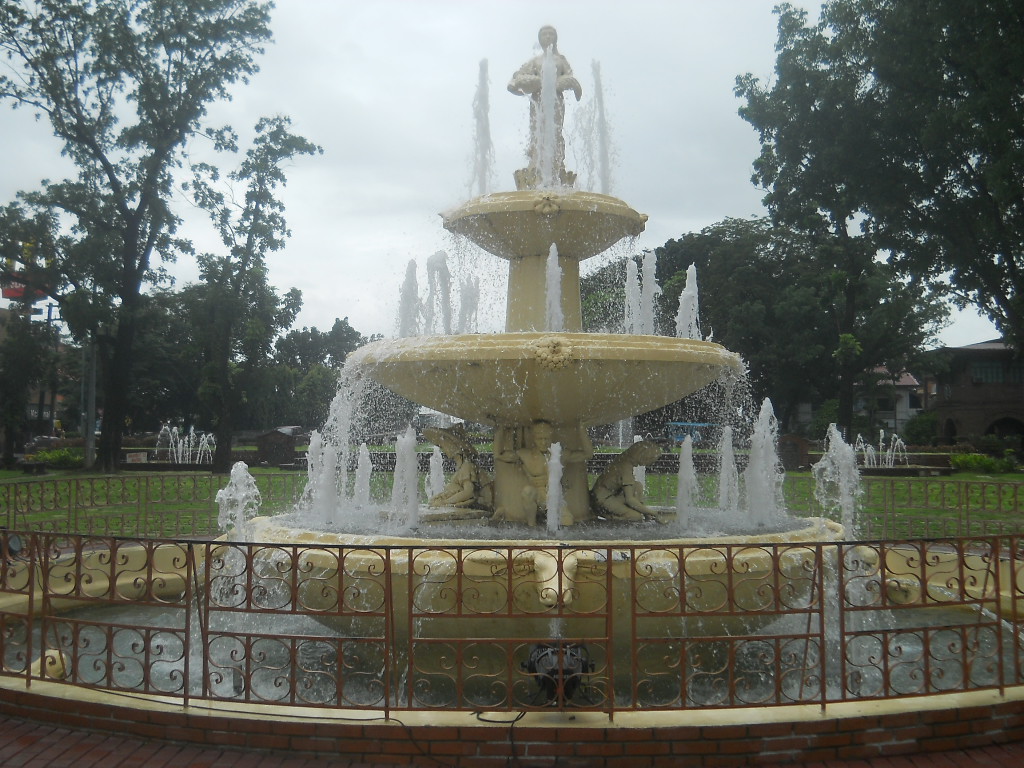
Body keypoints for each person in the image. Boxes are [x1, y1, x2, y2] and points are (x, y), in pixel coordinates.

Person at [508, 25, 582, 189]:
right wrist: (527, 83)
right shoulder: (535, 61)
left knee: (555, 131)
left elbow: (569, 77)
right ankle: (536, 163)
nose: (548, 37)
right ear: (540, 39)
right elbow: (517, 78)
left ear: (555, 38)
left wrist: (568, 84)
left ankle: (556, 164)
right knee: (537, 130)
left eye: (551, 34)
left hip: (556, 101)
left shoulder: (561, 60)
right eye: (544, 34)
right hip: (538, 100)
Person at [590, 441, 663, 521]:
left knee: (637, 486)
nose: (651, 463)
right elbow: (630, 500)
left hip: (607, 494)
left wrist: (647, 513)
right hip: (601, 499)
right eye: (651, 460)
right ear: (643, 456)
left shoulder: (624, 458)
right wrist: (655, 514)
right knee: (635, 517)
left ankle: (641, 512)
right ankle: (604, 515)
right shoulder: (625, 469)